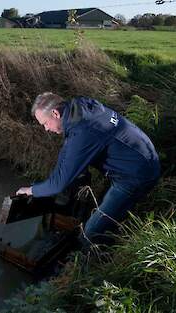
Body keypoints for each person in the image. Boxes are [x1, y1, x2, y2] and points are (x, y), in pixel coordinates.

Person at [16, 92, 160, 248]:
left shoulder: (84, 132)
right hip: (142, 153)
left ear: (55, 113)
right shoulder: (80, 106)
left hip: (136, 175)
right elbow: (68, 150)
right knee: (86, 193)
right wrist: (56, 178)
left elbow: (58, 184)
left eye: (45, 123)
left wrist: (31, 190)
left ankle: (98, 259)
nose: (46, 129)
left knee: (90, 233)